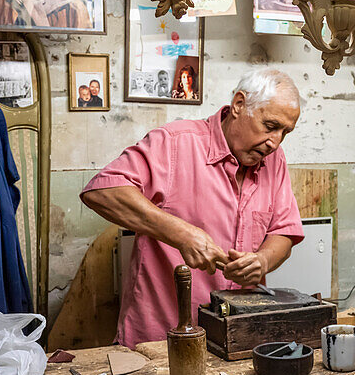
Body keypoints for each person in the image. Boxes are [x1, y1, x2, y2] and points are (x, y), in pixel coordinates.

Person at [81, 68, 304, 347]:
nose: (275, 142)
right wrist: (182, 234)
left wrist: (263, 261)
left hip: (237, 337)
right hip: (159, 340)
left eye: (286, 132)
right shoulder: (174, 143)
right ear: (238, 105)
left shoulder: (274, 159)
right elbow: (102, 191)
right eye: (270, 126)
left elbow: (284, 231)